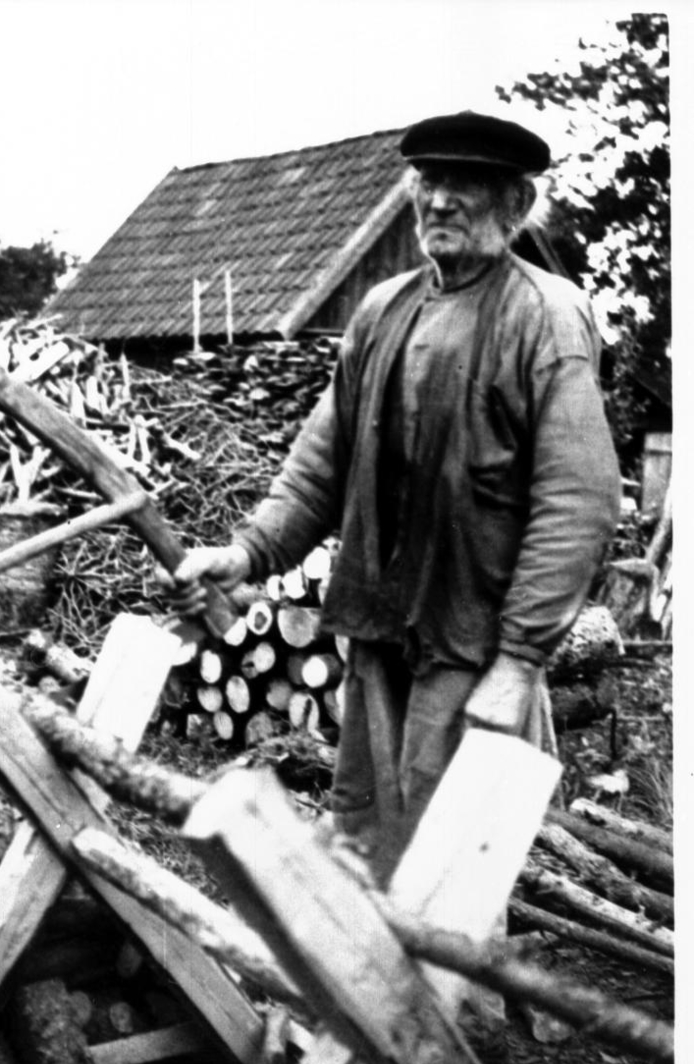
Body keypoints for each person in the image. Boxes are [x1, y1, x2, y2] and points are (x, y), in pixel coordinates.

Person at [165, 110, 621, 888]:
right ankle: (370, 969)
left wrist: (518, 664)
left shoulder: (546, 314)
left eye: (464, 184)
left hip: (475, 643)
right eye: (428, 180)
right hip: (380, 630)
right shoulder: (381, 311)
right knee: (368, 840)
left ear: (514, 204)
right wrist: (245, 554)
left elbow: (577, 505)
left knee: (455, 867)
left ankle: (459, 976)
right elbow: (320, 467)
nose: (439, 200)